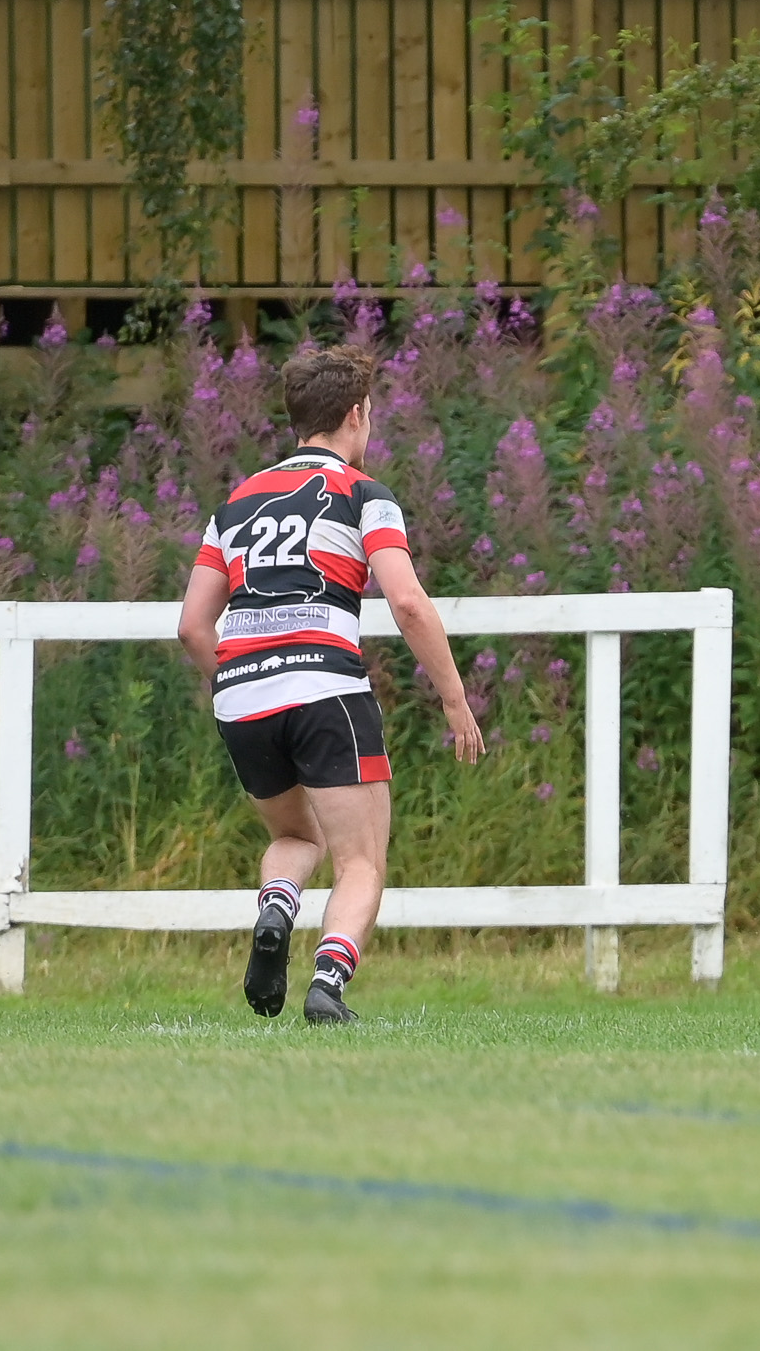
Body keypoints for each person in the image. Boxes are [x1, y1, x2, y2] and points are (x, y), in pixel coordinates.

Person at [177, 345, 484, 1024]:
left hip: (243, 693)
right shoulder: (363, 494)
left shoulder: (235, 502)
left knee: (297, 836)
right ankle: (327, 985)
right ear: (356, 413)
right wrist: (456, 697)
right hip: (325, 686)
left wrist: (240, 680)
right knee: (361, 859)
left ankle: (277, 907)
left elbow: (194, 626)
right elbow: (406, 601)